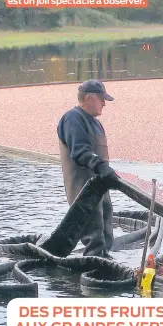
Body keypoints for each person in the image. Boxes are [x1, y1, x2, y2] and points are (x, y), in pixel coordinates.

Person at [56, 79, 118, 258]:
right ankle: (93, 272)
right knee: (94, 235)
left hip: (100, 185)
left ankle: (104, 263)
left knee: (106, 230)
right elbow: (80, 152)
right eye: (101, 99)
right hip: (83, 188)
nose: (104, 103)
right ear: (89, 98)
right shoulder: (72, 118)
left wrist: (107, 173)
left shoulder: (95, 122)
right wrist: (101, 166)